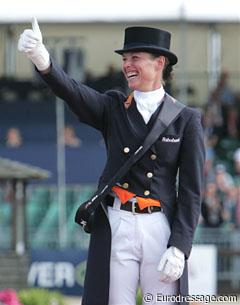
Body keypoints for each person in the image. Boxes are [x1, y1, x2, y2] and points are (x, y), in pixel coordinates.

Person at [18, 19, 205, 305]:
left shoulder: (185, 119)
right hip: (118, 222)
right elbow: (73, 92)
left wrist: (180, 246)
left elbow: (192, 191)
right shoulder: (113, 107)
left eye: (135, 58)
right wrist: (43, 60)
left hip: (159, 226)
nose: (128, 65)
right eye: (125, 59)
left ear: (160, 63)